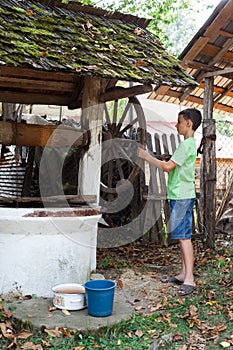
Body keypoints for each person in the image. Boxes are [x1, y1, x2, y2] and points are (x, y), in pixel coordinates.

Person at [137, 108, 202, 297]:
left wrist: (147, 157)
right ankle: (183, 274)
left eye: (179, 121)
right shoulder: (188, 145)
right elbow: (174, 165)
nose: (176, 124)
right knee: (182, 235)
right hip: (179, 194)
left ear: (189, 123)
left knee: (184, 238)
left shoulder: (186, 145)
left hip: (182, 195)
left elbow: (167, 167)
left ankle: (190, 278)